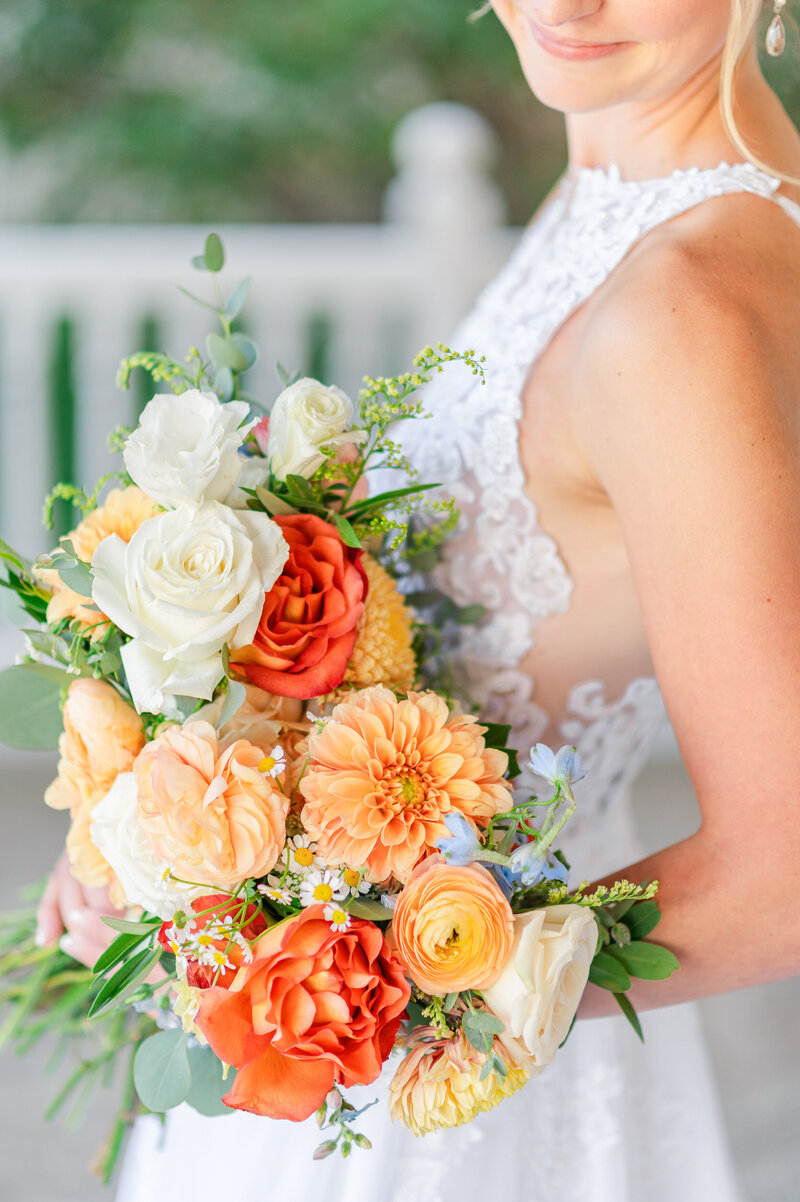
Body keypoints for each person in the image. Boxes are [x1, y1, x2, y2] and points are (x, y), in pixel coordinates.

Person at [39, 1, 800, 1198]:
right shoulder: (623, 173)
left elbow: (785, 870)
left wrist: (335, 972)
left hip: (414, 1063)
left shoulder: (682, 304)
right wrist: (155, 824)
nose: (564, 5)